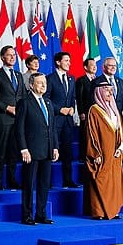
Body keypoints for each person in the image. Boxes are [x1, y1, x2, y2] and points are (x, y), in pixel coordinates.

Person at [15, 73, 58, 225]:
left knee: (44, 184)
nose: (43, 85)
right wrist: (23, 149)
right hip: (31, 151)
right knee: (29, 184)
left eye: (44, 82)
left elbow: (51, 128)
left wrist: (55, 147)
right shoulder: (24, 102)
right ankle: (27, 215)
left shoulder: (48, 102)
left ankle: (41, 214)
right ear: (31, 85)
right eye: (39, 83)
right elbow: (19, 128)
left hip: (47, 150)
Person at [84, 81, 123, 220]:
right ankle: (99, 212)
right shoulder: (94, 110)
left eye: (111, 90)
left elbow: (120, 129)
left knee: (114, 182)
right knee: (100, 180)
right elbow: (91, 133)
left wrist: (121, 146)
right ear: (99, 91)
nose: (109, 93)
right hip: (102, 153)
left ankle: (113, 210)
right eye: (106, 90)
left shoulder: (114, 109)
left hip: (115, 153)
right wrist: (95, 153)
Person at [0, 46, 23, 190]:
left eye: (14, 55)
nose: (12, 57)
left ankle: (12, 180)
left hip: (18, 120)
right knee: (0, 152)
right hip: (3, 119)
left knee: (13, 153)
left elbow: (22, 96)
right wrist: (7, 108)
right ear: (2, 58)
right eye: (9, 55)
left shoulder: (19, 75)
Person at [47, 51, 80, 188]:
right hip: (55, 120)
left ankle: (68, 180)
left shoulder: (72, 79)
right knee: (51, 149)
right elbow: (46, 99)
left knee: (68, 152)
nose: (69, 63)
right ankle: (47, 182)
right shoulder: (50, 78)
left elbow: (72, 97)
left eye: (69, 60)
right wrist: (59, 109)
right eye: (66, 60)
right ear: (58, 62)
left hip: (68, 121)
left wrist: (72, 108)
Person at [93, 57, 123, 122]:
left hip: (118, 118)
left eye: (115, 65)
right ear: (104, 67)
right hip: (103, 118)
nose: (113, 68)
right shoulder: (96, 82)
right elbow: (93, 101)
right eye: (110, 65)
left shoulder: (121, 82)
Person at [75, 57, 98, 132]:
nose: (94, 67)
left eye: (95, 65)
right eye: (92, 65)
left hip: (98, 112)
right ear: (85, 67)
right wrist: (81, 112)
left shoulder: (99, 80)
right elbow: (79, 98)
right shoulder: (81, 80)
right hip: (86, 112)